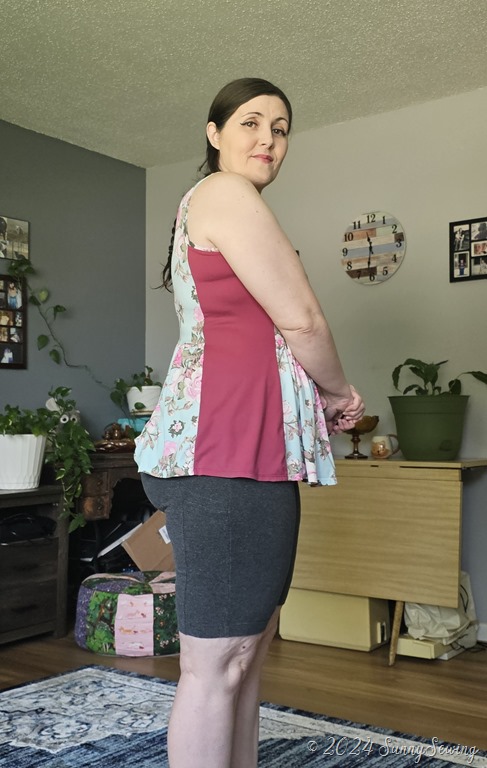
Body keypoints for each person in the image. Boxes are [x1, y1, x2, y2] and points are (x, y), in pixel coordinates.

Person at [134, 77, 365, 768]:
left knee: (245, 654)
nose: (268, 139)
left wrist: (315, 404)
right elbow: (303, 321)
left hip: (247, 452)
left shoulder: (217, 203)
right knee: (218, 663)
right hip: (223, 452)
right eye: (250, 122)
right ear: (214, 134)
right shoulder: (225, 193)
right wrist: (339, 391)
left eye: (281, 128)